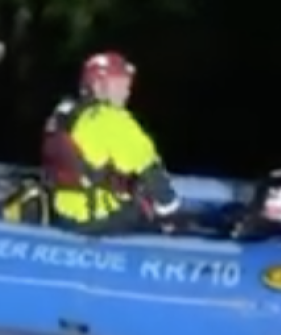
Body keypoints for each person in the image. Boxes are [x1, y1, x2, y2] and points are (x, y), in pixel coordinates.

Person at [41, 51, 180, 233]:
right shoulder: (113, 120)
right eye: (120, 83)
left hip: (63, 216)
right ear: (98, 85)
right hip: (98, 220)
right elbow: (155, 178)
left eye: (127, 83)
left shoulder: (64, 114)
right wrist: (171, 217)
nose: (127, 90)